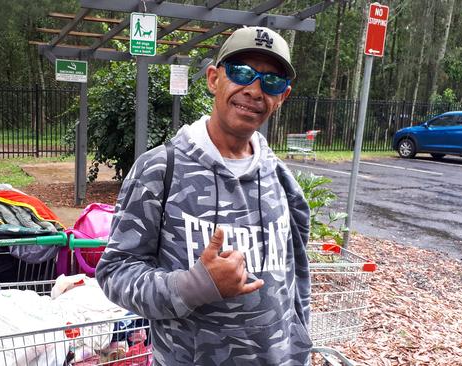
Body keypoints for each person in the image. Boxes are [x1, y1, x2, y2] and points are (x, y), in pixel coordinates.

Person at [96, 26, 312, 365]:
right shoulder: (159, 169)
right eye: (242, 72)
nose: (255, 90)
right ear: (213, 79)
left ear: (282, 96)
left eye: (271, 82)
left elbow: (296, 281)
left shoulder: (281, 178)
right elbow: (116, 272)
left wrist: (300, 351)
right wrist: (194, 285)